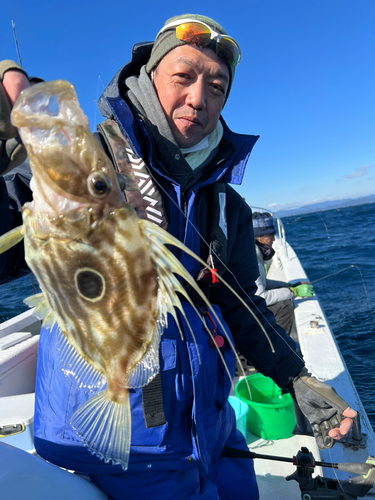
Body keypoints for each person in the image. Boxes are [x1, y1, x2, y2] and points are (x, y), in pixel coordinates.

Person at [0, 14, 358, 500]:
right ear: (149, 79)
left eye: (217, 86)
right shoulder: (91, 162)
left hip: (210, 428)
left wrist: (294, 375)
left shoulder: (223, 203)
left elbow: (236, 305)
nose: (198, 98)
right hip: (128, 449)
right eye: (183, 77)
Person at [252, 212, 314, 335]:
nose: (274, 239)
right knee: (285, 306)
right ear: (260, 237)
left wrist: (288, 286)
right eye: (271, 235)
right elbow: (261, 297)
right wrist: (292, 292)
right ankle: (277, 348)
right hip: (245, 314)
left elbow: (263, 283)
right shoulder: (252, 258)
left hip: (245, 307)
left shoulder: (255, 253)